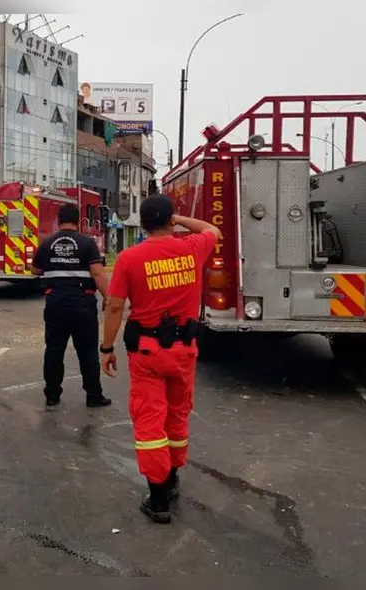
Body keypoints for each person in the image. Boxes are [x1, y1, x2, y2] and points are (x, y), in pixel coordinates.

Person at [98, 194, 221, 525]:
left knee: (150, 421)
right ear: (169, 221)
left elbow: (114, 306)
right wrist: (180, 220)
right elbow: (213, 230)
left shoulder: (129, 258)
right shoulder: (193, 248)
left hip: (148, 353)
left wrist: (106, 348)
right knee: (178, 415)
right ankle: (173, 477)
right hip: (184, 351)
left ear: (142, 223)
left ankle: (158, 498)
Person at [31, 203, 112, 408]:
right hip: (82, 305)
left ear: (59, 221)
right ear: (78, 221)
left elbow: (35, 270)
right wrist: (108, 298)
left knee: (54, 350)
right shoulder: (87, 244)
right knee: (87, 351)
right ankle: (93, 395)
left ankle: (52, 395)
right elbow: (97, 273)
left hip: (55, 304)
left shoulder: (47, 243)